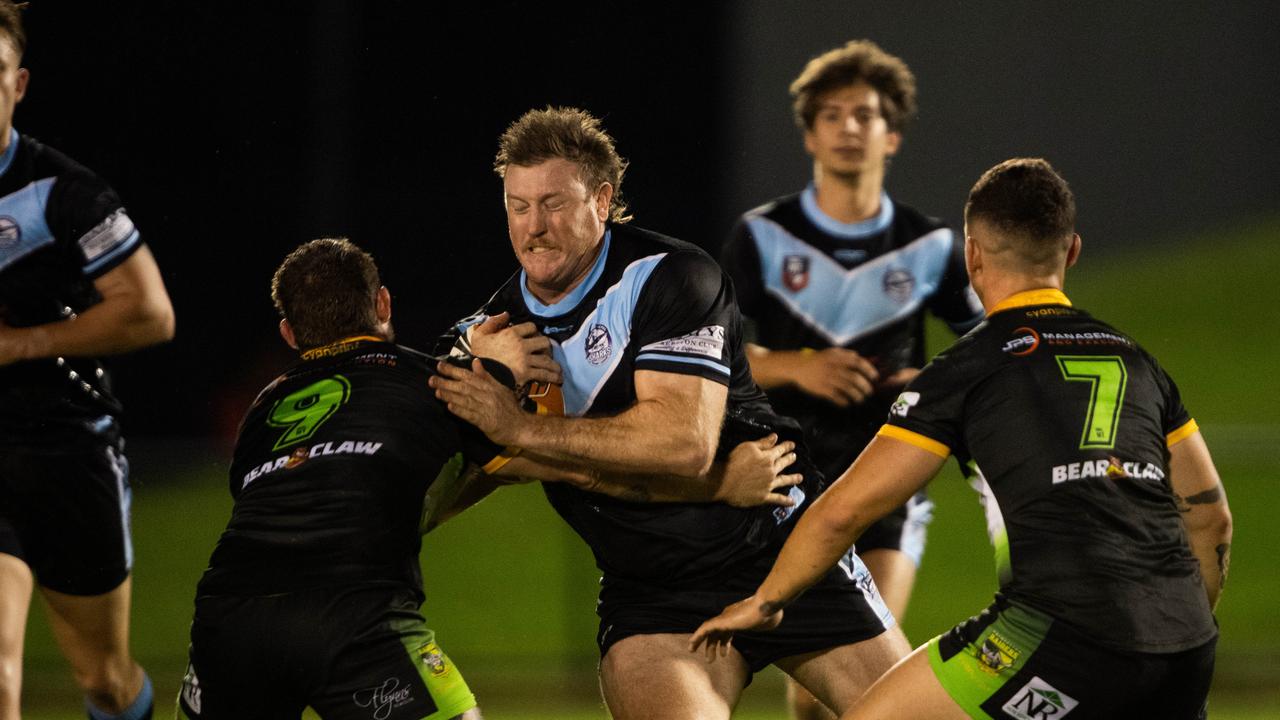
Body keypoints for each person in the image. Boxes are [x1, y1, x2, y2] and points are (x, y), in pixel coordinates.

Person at [691, 158, 1232, 720]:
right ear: (1071, 250)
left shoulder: (969, 367)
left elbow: (844, 512)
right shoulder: (1138, 362)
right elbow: (1211, 519)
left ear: (971, 255)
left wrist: (766, 601)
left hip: (1060, 638)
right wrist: (1174, 630)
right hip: (1188, 647)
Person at [177, 238, 800, 719]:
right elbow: (574, 468)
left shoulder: (262, 408)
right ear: (384, 305)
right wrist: (717, 483)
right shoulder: (431, 382)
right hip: (353, 613)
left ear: (290, 334)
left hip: (227, 615)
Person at [430, 106, 911, 720]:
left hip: (781, 550)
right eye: (518, 207)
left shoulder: (671, 277)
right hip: (652, 595)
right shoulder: (486, 337)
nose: (534, 228)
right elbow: (459, 473)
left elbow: (682, 443)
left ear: (602, 201)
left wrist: (523, 431)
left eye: (554, 203)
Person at [720, 42, 984, 718]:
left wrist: (929, 380)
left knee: (870, 690)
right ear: (809, 133)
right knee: (814, 697)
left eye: (864, 115)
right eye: (831, 115)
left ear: (891, 134)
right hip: (786, 484)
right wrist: (796, 365)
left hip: (887, 481)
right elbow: (707, 355)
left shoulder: (931, 247)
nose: (847, 129)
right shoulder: (762, 236)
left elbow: (993, 351)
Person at [0, 2, 175, 718]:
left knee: (104, 677)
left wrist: (19, 344)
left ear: (19, 84)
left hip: (65, 450)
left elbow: (151, 313)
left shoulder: (61, 193)